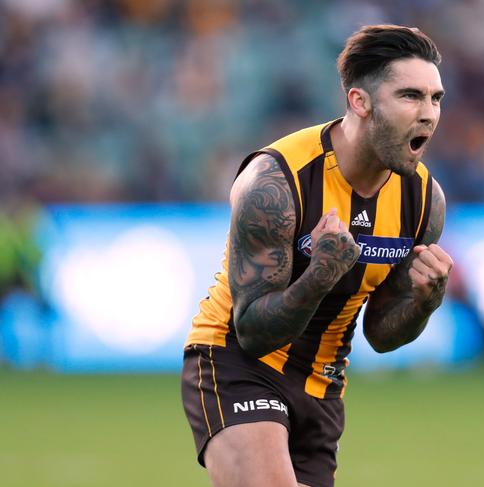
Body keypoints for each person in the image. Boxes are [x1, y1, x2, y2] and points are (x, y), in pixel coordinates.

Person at [181, 24, 453, 487]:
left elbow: (381, 335)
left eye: (435, 98)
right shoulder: (275, 181)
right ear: (359, 102)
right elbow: (252, 333)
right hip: (237, 366)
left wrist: (424, 303)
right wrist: (321, 275)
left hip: (322, 385)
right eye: (409, 96)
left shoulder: (424, 200)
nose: (427, 114)